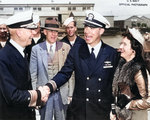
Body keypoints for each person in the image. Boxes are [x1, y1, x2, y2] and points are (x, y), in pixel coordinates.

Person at [42, 10, 118, 120]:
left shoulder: (111, 53)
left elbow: (114, 84)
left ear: (101, 30)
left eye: (92, 28)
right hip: (80, 111)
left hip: (101, 110)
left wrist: (114, 108)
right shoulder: (76, 50)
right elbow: (65, 73)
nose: (87, 31)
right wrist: (48, 86)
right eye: (86, 27)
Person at [0, 10, 49, 120]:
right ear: (19, 32)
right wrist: (38, 94)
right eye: (30, 29)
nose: (34, 33)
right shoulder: (3, 57)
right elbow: (12, 96)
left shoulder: (21, 52)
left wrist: (38, 99)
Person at [30, 17, 75, 120]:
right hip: (44, 94)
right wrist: (35, 95)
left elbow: (71, 74)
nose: (54, 34)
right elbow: (33, 75)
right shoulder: (36, 49)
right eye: (51, 31)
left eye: (56, 31)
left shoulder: (65, 47)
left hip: (62, 93)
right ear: (45, 32)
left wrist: (70, 94)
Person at [111, 28, 150, 120]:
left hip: (136, 116)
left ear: (134, 49)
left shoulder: (139, 70)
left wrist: (130, 104)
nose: (120, 47)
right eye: (121, 43)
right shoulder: (122, 66)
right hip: (123, 116)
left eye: (124, 44)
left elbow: (148, 100)